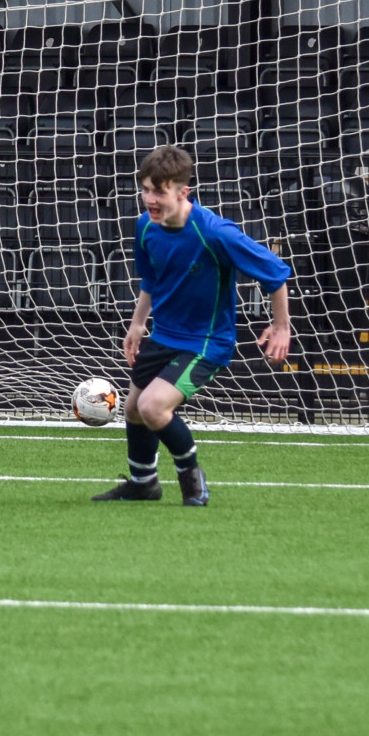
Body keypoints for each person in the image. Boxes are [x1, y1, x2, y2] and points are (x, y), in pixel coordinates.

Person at [94, 144, 292, 507]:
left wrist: (282, 327)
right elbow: (151, 279)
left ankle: (192, 479)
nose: (149, 199)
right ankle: (143, 484)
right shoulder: (145, 227)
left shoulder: (216, 232)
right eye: (145, 189)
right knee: (134, 408)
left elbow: (276, 273)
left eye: (159, 191)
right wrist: (137, 324)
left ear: (183, 191)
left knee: (154, 407)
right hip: (164, 334)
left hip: (206, 341)